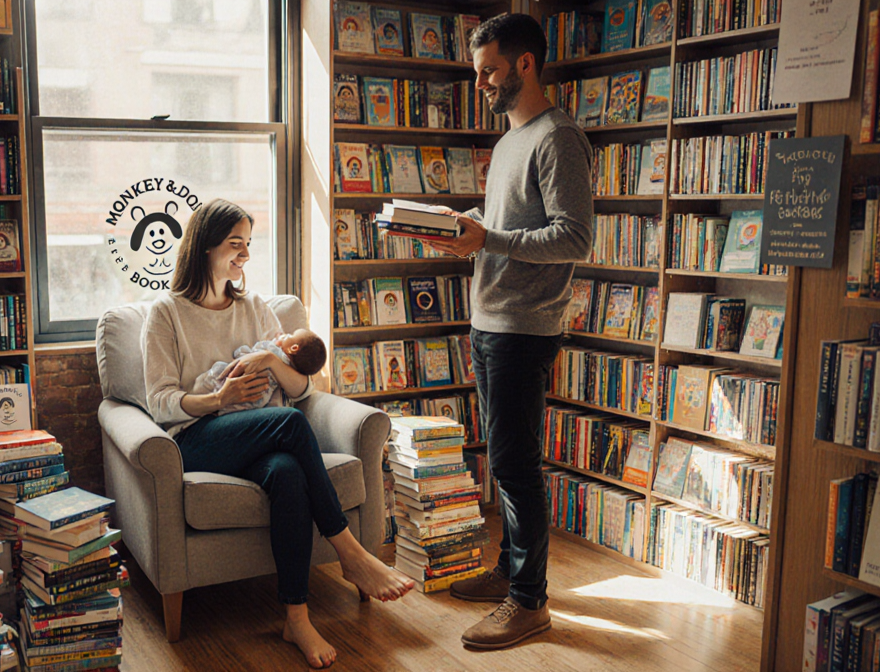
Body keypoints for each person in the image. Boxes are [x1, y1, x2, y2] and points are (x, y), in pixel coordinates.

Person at [141, 199, 415, 668]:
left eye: (248, 244)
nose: (245, 254)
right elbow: (160, 401)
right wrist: (218, 400)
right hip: (198, 437)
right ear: (204, 247)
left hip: (258, 435)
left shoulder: (257, 308)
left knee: (288, 472)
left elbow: (303, 386)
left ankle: (296, 617)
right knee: (289, 423)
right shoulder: (166, 312)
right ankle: (349, 551)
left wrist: (270, 361)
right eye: (234, 244)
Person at [427, 13, 594, 650]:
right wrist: (456, 227)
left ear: (525, 64)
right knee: (503, 459)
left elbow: (574, 236)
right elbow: (504, 225)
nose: (481, 85)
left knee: (518, 464)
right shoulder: (506, 144)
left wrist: (489, 237)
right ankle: (511, 571)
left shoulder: (558, 138)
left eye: (490, 71)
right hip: (488, 317)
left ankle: (530, 601)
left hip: (525, 326)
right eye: (477, 73)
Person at [192, 328, 328, 415]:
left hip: (243, 388)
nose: (284, 334)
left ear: (293, 348)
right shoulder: (290, 371)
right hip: (260, 402)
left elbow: (249, 352)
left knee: (219, 372)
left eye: (289, 335)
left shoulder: (273, 351)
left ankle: (204, 389)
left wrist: (269, 354)